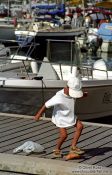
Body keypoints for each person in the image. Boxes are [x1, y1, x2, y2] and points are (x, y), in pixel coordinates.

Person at [33, 72, 88, 160]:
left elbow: (76, 96)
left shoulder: (71, 93)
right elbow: (46, 105)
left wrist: (83, 95)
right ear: (67, 88)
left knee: (80, 126)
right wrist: (38, 115)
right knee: (64, 135)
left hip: (70, 114)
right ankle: (57, 149)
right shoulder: (58, 97)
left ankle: (73, 146)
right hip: (60, 118)